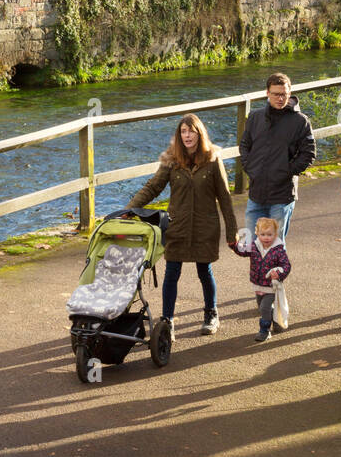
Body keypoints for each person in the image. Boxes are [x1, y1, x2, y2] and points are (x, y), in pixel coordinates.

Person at [125, 113, 237, 337]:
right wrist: (130, 209)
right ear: (179, 135)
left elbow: (224, 196)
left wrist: (232, 231)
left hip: (206, 225)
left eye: (191, 131)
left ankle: (211, 313)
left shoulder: (213, 159)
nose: (187, 136)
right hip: (177, 225)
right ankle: (167, 320)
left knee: (204, 271)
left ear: (199, 133)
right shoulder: (171, 160)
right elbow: (152, 187)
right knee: (172, 272)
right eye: (183, 132)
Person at [239, 72, 316, 244]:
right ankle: (257, 273)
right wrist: (250, 167)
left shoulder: (300, 121)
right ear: (267, 93)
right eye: (276, 94)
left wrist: (286, 172)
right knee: (252, 245)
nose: (280, 98)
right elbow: (244, 145)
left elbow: (309, 154)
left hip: (282, 196)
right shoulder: (255, 117)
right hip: (256, 193)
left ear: (290, 94)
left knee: (274, 247)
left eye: (284, 94)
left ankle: (275, 272)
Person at [235, 216, 291, 342]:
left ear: (276, 234)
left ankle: (265, 330)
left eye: (270, 234)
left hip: (271, 286)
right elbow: (242, 251)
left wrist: (279, 273)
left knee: (264, 308)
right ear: (257, 233)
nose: (266, 237)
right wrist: (234, 244)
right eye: (263, 234)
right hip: (257, 284)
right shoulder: (254, 246)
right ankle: (276, 321)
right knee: (262, 307)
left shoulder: (278, 249)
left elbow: (286, 265)